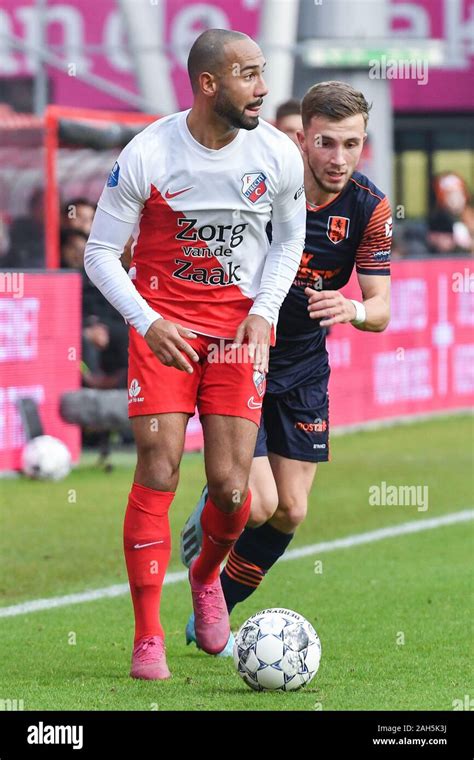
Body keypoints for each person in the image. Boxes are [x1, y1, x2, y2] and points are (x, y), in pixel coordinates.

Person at [84, 28, 306, 680]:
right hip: (164, 336)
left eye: (263, 72)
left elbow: (289, 238)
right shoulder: (149, 152)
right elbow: (100, 253)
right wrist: (146, 322)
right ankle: (148, 634)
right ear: (208, 83)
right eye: (248, 75)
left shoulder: (276, 154)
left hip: (238, 338)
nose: (262, 87)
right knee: (157, 467)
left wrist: (264, 311)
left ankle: (206, 577)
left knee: (235, 490)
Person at [181, 80, 391, 655]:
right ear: (301, 137)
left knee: (291, 510)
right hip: (241, 354)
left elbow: (381, 309)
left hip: (302, 365)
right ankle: (211, 526)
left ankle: (219, 598)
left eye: (352, 144)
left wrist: (351, 307)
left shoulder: (370, 207)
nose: (340, 158)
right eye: (327, 142)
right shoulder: (260, 182)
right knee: (260, 501)